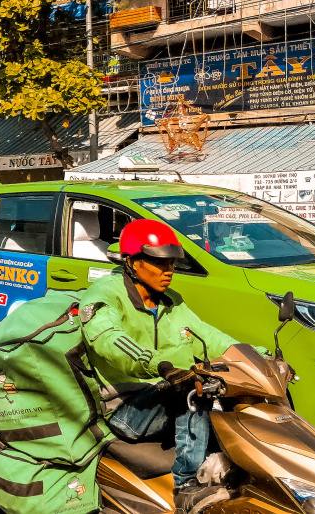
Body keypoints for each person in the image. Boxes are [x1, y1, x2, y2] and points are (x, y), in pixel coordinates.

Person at [79, 219, 259, 514]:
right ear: (132, 262)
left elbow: (210, 337)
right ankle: (187, 485)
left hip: (161, 392)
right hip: (125, 407)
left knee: (227, 389)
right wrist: (157, 365)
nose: (169, 271)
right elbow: (110, 340)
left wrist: (258, 357)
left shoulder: (171, 302)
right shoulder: (106, 294)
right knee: (191, 389)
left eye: (172, 263)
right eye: (159, 262)